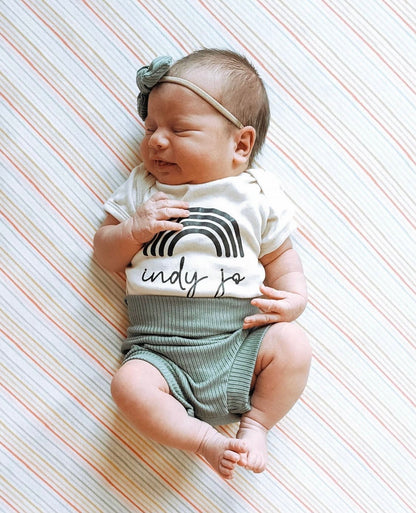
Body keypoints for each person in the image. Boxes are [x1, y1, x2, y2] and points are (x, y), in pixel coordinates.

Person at [94, 49, 311, 480]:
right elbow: (104, 255)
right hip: (159, 354)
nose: (156, 140)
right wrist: (134, 229)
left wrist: (294, 300)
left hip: (239, 343)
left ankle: (255, 426)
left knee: (293, 345)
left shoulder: (256, 193)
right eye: (151, 126)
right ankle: (204, 440)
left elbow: (281, 257)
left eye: (180, 129)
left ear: (241, 145)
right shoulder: (143, 187)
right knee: (128, 385)